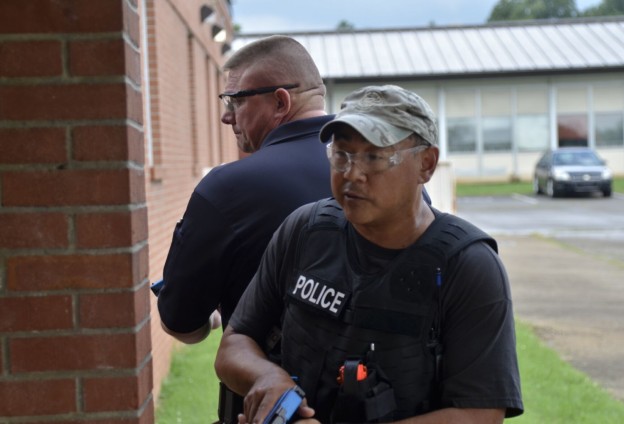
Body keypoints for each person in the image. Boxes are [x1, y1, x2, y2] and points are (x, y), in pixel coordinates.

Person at [214, 85, 524, 423]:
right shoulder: (305, 230)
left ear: (427, 164)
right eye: (342, 155)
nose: (353, 173)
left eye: (374, 157)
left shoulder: (467, 266)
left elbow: (481, 414)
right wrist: (269, 379)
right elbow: (235, 343)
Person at [156, 35, 334, 422]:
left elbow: (183, 324)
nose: (226, 116)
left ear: (280, 102)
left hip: (276, 409)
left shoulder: (227, 188)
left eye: (235, 100)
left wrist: (216, 316)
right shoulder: (390, 177)